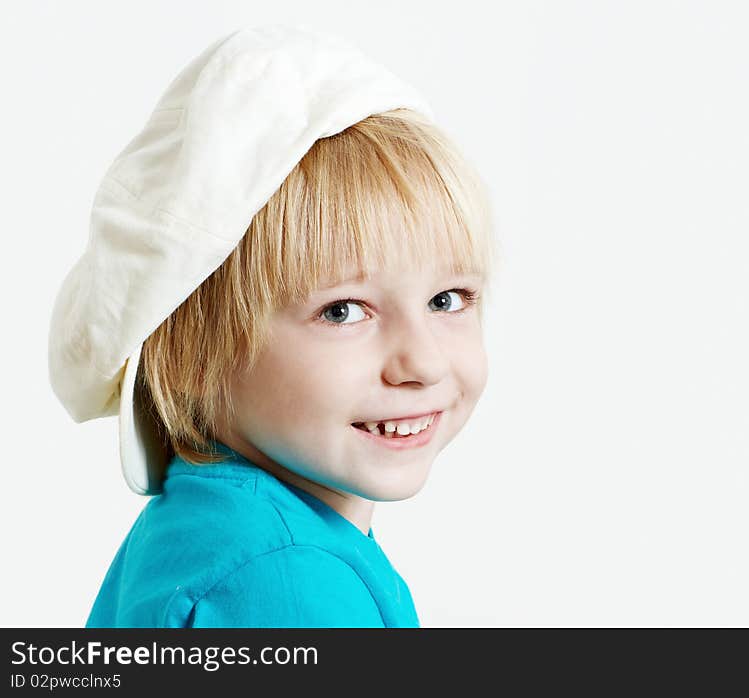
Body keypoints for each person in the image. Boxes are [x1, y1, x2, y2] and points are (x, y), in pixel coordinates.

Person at [48, 24, 498, 627]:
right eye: (342, 311)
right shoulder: (286, 582)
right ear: (192, 356)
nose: (424, 362)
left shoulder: (212, 528)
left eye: (447, 299)